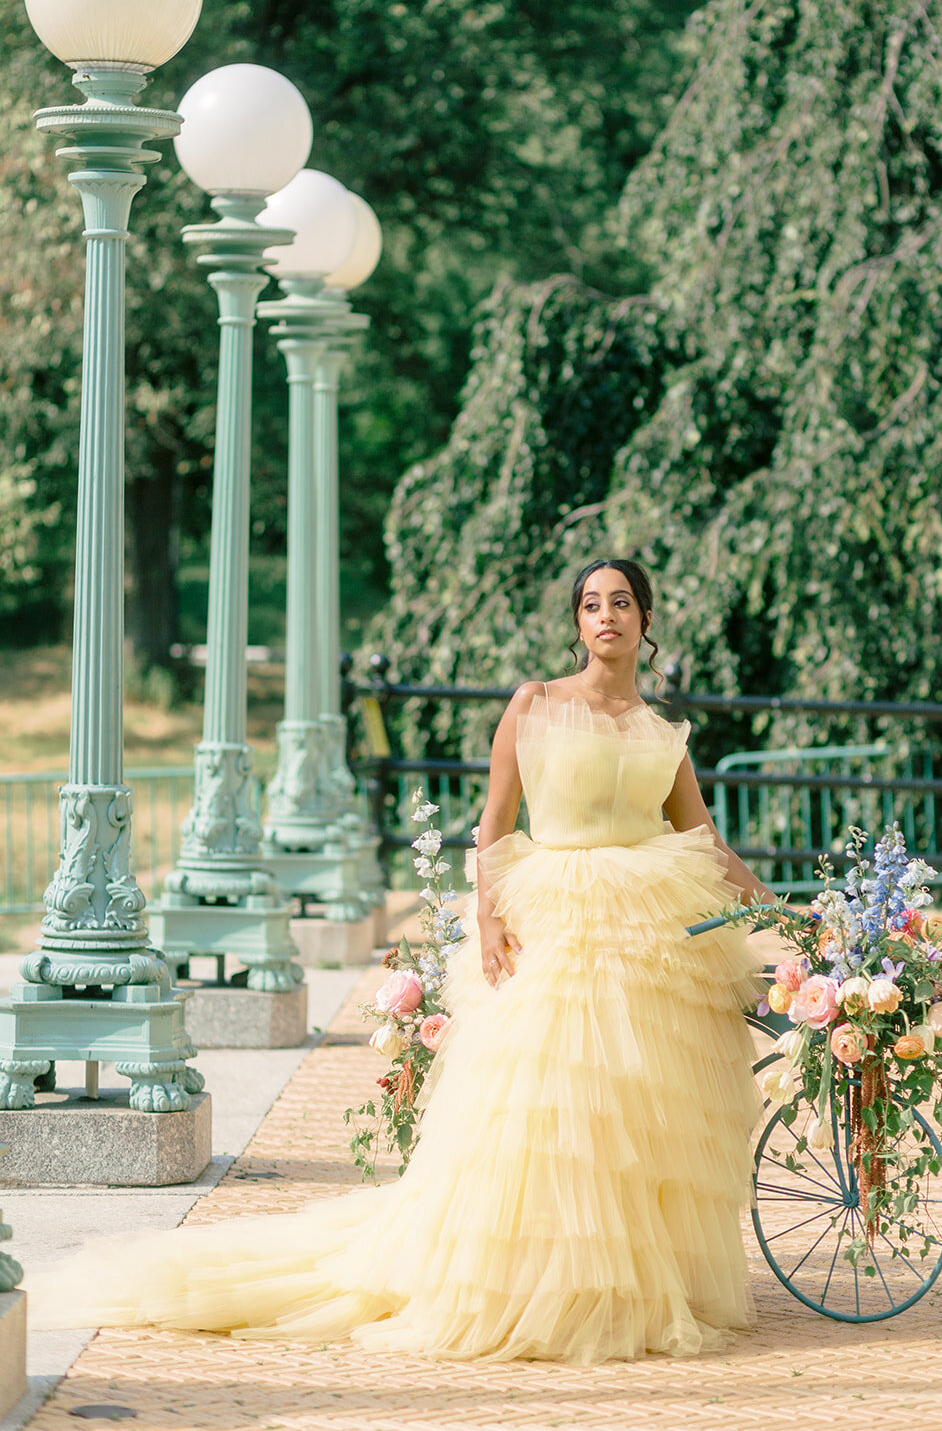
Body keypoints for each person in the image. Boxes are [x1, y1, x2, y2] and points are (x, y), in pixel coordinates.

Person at [28, 558, 776, 1364]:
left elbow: (700, 839)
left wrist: (784, 907)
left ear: (645, 618)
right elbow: (493, 824)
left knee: (638, 1114)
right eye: (592, 604)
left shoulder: (663, 732)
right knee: (551, 1109)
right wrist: (486, 920)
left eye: (621, 603)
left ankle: (628, 1275)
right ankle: (533, 1276)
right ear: (576, 623)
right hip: (556, 925)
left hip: (645, 935)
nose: (607, 617)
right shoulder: (538, 705)